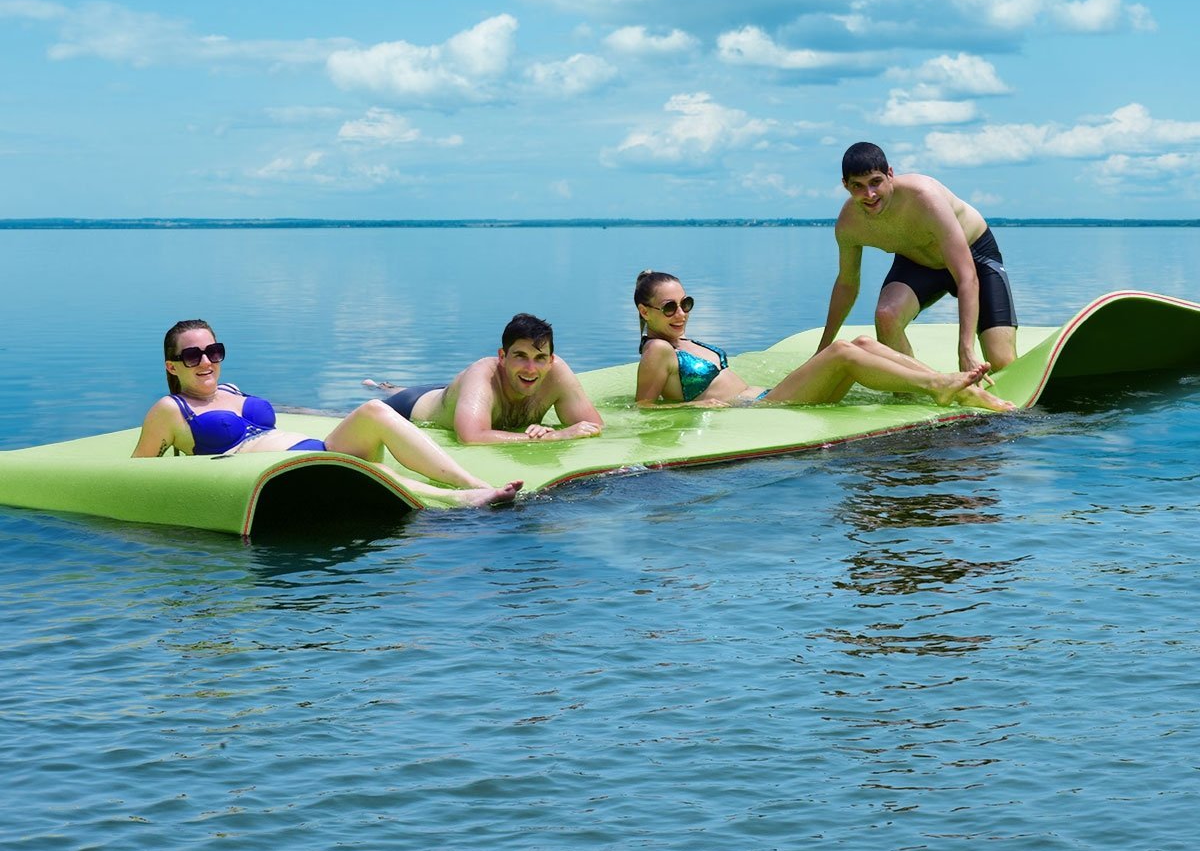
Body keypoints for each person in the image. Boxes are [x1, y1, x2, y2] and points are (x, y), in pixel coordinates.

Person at [133, 320, 521, 509]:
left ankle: (472, 481)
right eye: (192, 355)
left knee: (374, 408)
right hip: (278, 473)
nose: (206, 361)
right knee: (375, 471)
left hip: (314, 450)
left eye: (213, 351)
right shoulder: (171, 409)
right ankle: (462, 500)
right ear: (172, 366)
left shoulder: (231, 391)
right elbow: (136, 473)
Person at [634, 271, 1014, 411]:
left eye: (686, 303)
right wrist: (699, 408)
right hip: (762, 410)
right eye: (669, 307)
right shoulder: (657, 350)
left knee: (863, 340)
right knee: (843, 352)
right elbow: (644, 408)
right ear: (644, 311)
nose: (681, 314)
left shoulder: (681, 341)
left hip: (767, 394)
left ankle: (957, 387)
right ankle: (939, 386)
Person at [819, 142, 1018, 376]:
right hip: (917, 262)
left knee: (1002, 363)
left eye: (875, 182)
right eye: (858, 186)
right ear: (846, 186)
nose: (870, 194)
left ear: (890, 175)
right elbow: (847, 283)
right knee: (886, 316)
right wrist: (823, 350)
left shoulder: (925, 198)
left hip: (975, 258)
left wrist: (965, 349)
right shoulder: (849, 224)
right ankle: (911, 390)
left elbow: (966, 276)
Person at [365, 313, 604, 445]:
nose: (531, 369)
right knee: (376, 403)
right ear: (502, 356)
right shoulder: (483, 375)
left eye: (540, 358)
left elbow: (594, 426)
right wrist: (554, 436)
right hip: (412, 406)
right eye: (520, 356)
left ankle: (388, 386)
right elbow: (470, 437)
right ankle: (379, 387)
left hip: (458, 396)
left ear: (551, 360)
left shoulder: (557, 373)